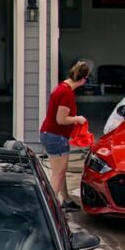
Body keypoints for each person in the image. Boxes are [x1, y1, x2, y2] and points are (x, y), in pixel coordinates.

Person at [40, 61, 90, 211]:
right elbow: (60, 119)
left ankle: (66, 200)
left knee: (61, 170)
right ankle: (51, 207)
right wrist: (78, 119)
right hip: (56, 137)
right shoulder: (67, 93)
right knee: (58, 173)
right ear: (83, 79)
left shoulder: (62, 87)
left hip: (49, 134)